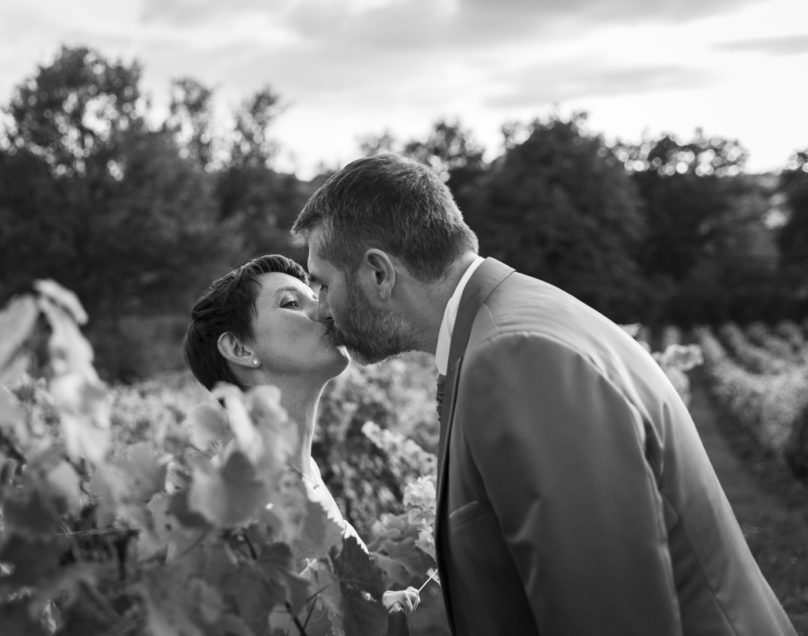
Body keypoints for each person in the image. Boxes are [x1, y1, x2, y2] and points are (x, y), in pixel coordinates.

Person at [290, 153, 796, 636]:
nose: (318, 310)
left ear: (379, 273)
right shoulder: (510, 323)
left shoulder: (517, 356)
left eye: (323, 284)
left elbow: (604, 616)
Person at [182, 254, 421, 618]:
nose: (326, 309)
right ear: (241, 349)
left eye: (316, 294)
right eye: (292, 303)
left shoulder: (305, 471)